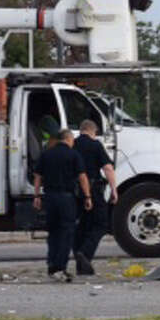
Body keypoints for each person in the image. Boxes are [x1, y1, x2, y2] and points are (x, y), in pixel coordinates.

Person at [32, 129, 92, 282]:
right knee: (66, 232)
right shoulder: (73, 155)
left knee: (53, 232)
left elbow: (38, 176)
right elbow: (82, 177)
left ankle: (51, 265)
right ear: (68, 139)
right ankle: (61, 267)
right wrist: (87, 196)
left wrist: (37, 195)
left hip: (50, 197)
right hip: (66, 198)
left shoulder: (46, 154)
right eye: (72, 140)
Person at [73, 119, 118, 275]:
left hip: (74, 192)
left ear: (81, 130)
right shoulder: (95, 145)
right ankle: (85, 253)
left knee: (81, 226)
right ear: (93, 131)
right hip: (93, 190)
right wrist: (114, 190)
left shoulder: (72, 144)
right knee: (101, 223)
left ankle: (81, 263)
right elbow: (108, 168)